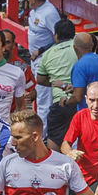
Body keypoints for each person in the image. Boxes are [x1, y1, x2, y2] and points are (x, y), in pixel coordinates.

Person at [36, 19, 77, 149]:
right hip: (80, 101)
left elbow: (40, 79)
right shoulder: (80, 48)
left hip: (60, 102)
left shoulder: (47, 54)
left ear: (56, 36)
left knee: (54, 139)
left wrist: (56, 83)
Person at [26, 0, 60, 125]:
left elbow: (58, 37)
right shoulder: (35, 10)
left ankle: (42, 135)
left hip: (45, 59)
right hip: (35, 60)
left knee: (44, 99)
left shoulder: (49, 13)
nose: (27, 1)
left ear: (33, 0)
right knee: (40, 97)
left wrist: (41, 50)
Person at [68, 32, 98, 110]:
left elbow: (77, 97)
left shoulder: (79, 66)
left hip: (89, 114)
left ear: (75, 47)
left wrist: (65, 102)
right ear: (92, 46)